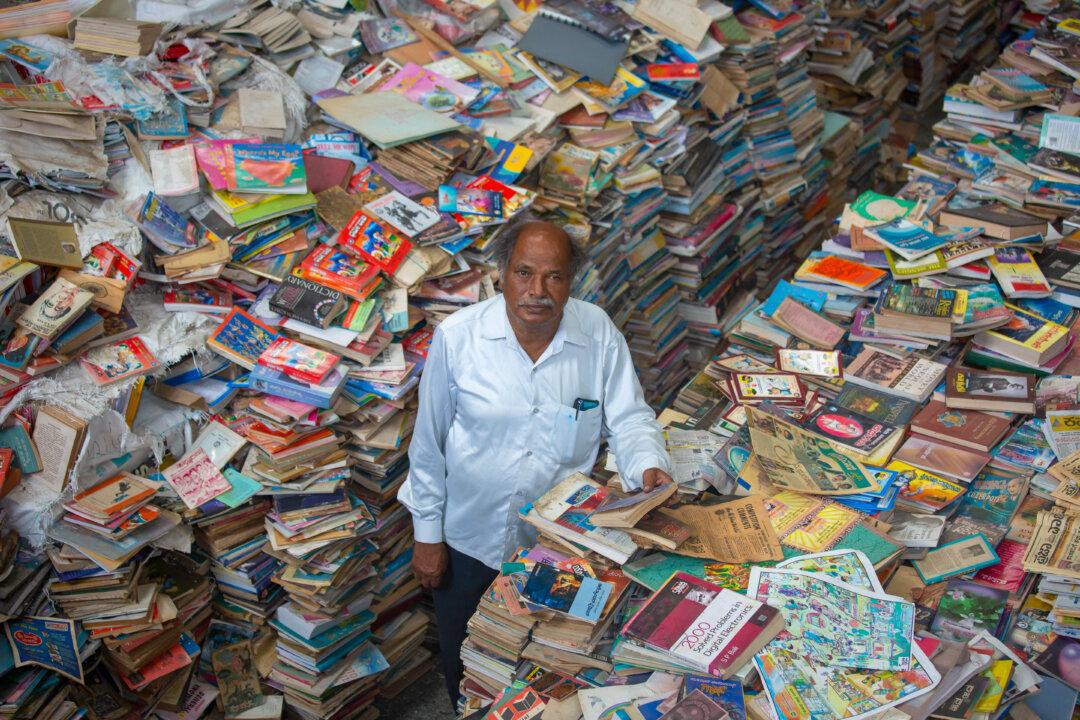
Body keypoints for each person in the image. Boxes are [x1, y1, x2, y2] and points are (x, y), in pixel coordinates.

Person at [398, 217, 673, 706]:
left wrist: (648, 468)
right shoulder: (459, 337)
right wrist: (427, 537)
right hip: (468, 542)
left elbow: (630, 419)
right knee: (469, 666)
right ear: (501, 273)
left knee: (544, 670)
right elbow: (428, 446)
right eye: (524, 273)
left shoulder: (598, 335)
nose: (538, 291)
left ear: (572, 280)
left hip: (556, 546)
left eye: (555, 277)